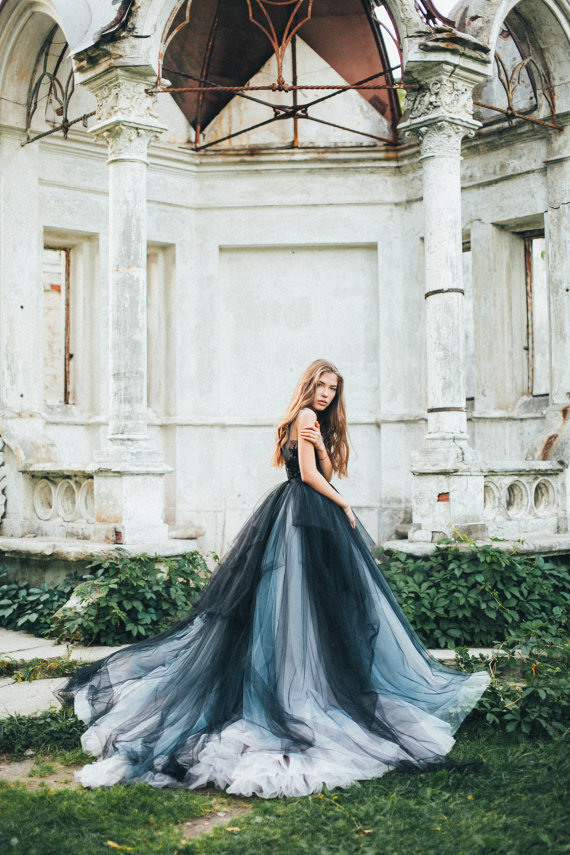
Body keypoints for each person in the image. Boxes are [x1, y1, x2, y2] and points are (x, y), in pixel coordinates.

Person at [60, 359, 489, 798]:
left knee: (310, 605)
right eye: (321, 386)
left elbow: (319, 468)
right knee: (294, 601)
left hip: (306, 514)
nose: (325, 394)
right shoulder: (305, 416)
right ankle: (293, 686)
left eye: (332, 389)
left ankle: (306, 681)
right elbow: (307, 477)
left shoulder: (314, 422)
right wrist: (342, 504)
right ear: (308, 386)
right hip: (301, 516)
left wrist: (323, 453)